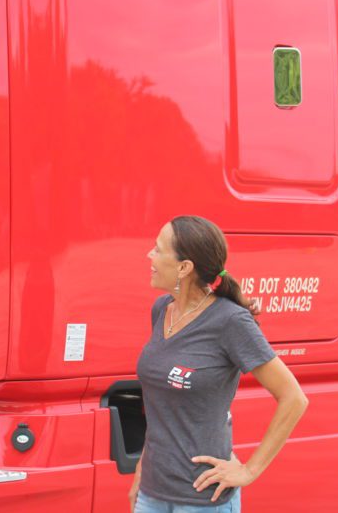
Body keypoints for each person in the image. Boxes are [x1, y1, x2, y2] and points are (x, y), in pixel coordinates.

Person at [130, 216, 308, 512]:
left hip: (202, 499)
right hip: (152, 493)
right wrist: (140, 473)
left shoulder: (230, 321)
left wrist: (249, 471)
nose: (150, 255)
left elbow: (294, 398)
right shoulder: (161, 310)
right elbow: (162, 403)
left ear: (184, 268)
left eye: (158, 250)